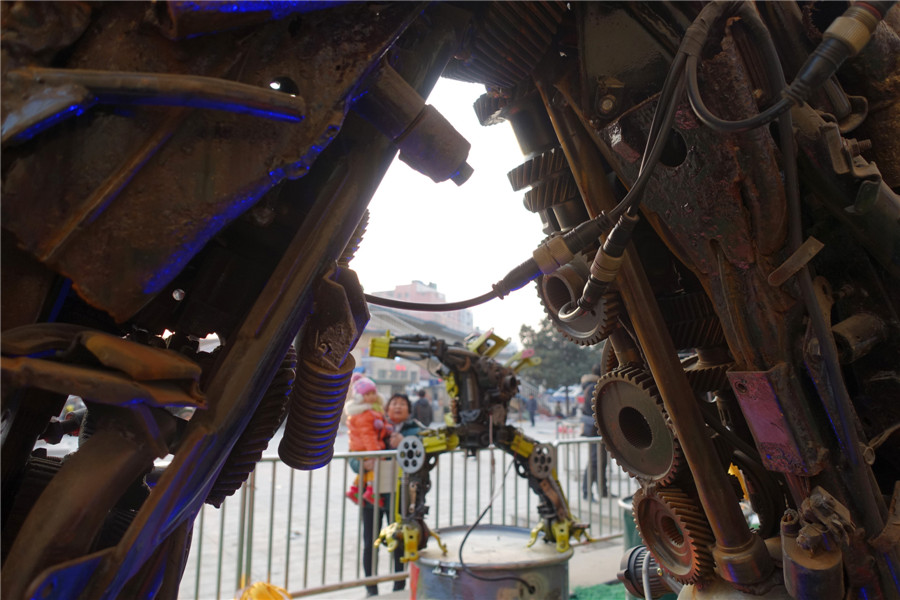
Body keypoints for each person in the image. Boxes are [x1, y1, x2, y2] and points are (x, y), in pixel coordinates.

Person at [360, 393, 424, 596]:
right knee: (370, 543)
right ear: (387, 408)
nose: (398, 407)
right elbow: (355, 453)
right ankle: (372, 589)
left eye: (403, 404)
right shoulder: (374, 425)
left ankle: (399, 586)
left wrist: (406, 441)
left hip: (400, 497)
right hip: (373, 497)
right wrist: (362, 463)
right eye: (394, 403)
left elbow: (425, 447)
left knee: (399, 540)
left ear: (408, 410)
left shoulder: (415, 430)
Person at [346, 377, 392, 505]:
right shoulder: (365, 414)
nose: (371, 396)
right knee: (374, 468)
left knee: (369, 469)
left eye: (373, 393)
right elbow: (368, 435)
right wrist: (375, 452)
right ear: (360, 397)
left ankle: (354, 489)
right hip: (366, 448)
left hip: (362, 448)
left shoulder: (372, 411)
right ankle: (371, 491)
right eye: (367, 394)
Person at [581, 363, 611, 500]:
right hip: (594, 430)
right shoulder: (593, 388)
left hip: (598, 430)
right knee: (594, 460)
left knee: (602, 460)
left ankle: (603, 490)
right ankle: (587, 492)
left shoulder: (593, 386)